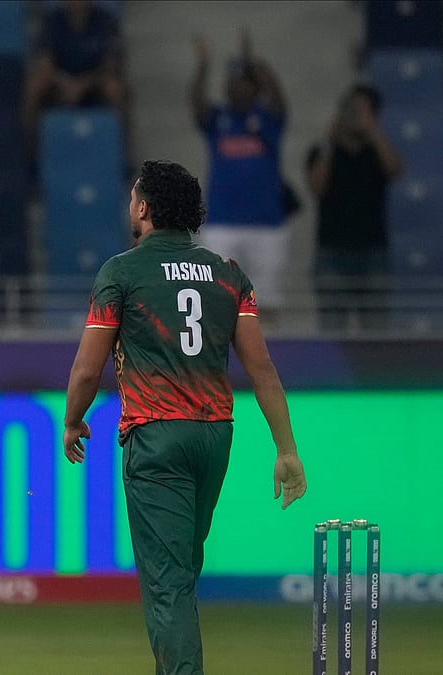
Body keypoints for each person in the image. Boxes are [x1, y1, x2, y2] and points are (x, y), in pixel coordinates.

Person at [61, 160, 307, 674]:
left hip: (157, 439)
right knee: (181, 571)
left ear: (145, 208)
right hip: (215, 438)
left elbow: (87, 370)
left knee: (167, 582)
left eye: (133, 196)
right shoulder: (227, 274)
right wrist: (286, 449)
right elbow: (261, 368)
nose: (129, 204)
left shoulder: (122, 272)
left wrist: (73, 420)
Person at [190, 29, 289, 317]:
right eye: (231, 83)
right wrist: (203, 65)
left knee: (267, 305)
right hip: (223, 224)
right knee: (218, 303)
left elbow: (280, 99)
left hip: (267, 224)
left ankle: (265, 359)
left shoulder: (269, 119)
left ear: (254, 86)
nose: (235, 88)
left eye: (243, 83)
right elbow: (197, 106)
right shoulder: (219, 120)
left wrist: (255, 63)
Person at [306, 84, 403, 333]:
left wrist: (373, 132)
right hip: (332, 250)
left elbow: (396, 170)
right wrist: (330, 142)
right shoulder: (325, 150)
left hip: (373, 250)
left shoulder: (377, 151)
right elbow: (317, 187)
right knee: (332, 327)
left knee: (376, 330)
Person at [20, 0, 127, 171]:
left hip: (93, 82)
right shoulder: (52, 21)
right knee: (34, 86)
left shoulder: (105, 21)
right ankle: (30, 156)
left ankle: (123, 159)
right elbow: (45, 63)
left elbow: (110, 65)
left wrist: (81, 85)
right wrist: (65, 83)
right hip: (59, 82)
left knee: (115, 89)